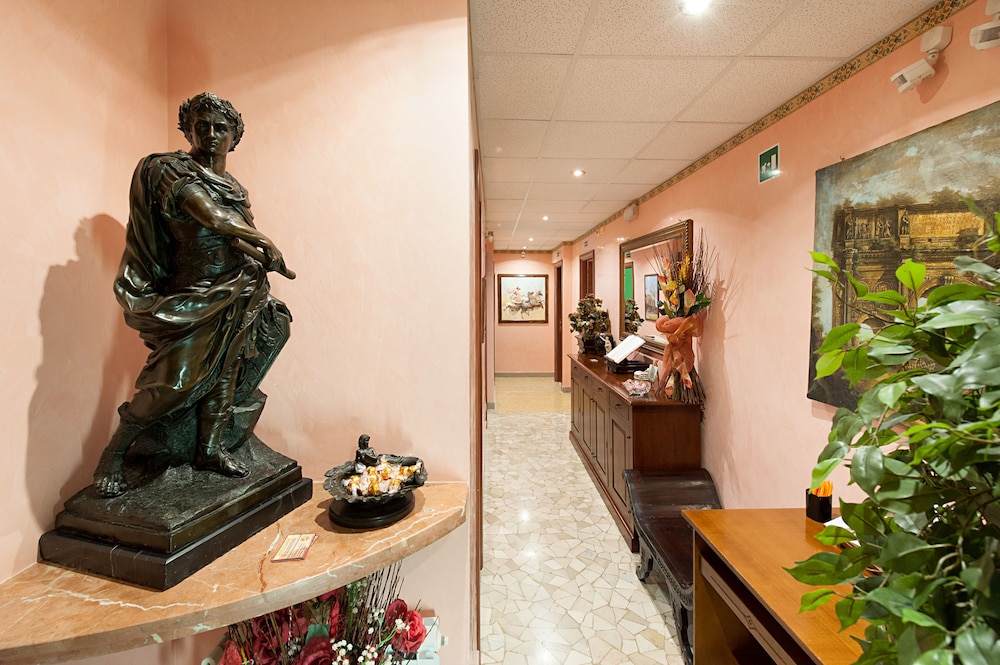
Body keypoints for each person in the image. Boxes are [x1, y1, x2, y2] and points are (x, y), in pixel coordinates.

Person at [93, 92, 293, 497]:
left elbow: (230, 237)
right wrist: (262, 240)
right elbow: (209, 216)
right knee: (175, 382)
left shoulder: (234, 188)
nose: (211, 133)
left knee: (226, 371)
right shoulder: (169, 169)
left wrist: (258, 256)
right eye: (202, 125)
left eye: (221, 128)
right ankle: (113, 454)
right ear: (188, 130)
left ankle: (210, 448)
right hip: (194, 293)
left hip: (237, 287)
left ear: (235, 137)